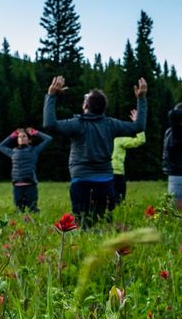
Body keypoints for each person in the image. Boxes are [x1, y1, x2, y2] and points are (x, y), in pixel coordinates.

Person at [43, 75, 146, 226]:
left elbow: (49, 124)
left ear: (85, 105)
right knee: (104, 225)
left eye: (85, 98)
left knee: (84, 225)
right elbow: (138, 127)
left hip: (81, 183)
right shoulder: (110, 124)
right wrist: (142, 99)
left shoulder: (77, 124)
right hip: (106, 184)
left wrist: (51, 95)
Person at [0, 127, 53, 213]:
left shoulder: (34, 150)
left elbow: (49, 139)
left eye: (24, 136)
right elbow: (0, 146)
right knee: (19, 211)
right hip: (17, 186)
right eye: (19, 137)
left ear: (29, 140)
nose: (21, 138)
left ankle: (34, 225)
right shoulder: (13, 152)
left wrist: (36, 133)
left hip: (30, 186)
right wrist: (12, 135)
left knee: (33, 209)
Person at [111, 109, 145, 203]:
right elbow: (140, 140)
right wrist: (137, 123)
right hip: (117, 174)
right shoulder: (120, 139)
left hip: (104, 173)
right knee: (119, 201)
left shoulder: (103, 137)